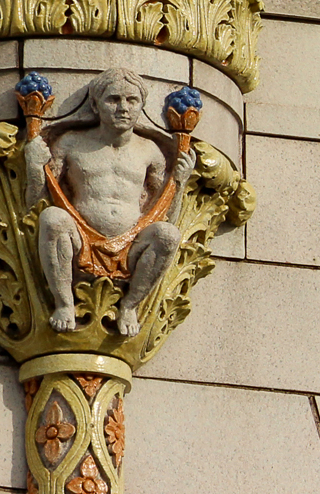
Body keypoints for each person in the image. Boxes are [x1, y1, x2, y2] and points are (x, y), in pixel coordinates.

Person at [21, 67, 194, 334]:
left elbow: (167, 213)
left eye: (132, 100)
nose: (123, 108)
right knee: (52, 218)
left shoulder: (151, 151)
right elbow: (36, 203)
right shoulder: (70, 143)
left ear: (141, 105)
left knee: (169, 235)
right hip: (81, 239)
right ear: (95, 104)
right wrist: (34, 168)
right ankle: (64, 303)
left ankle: (130, 306)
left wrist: (180, 183)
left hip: (132, 244)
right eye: (113, 99)